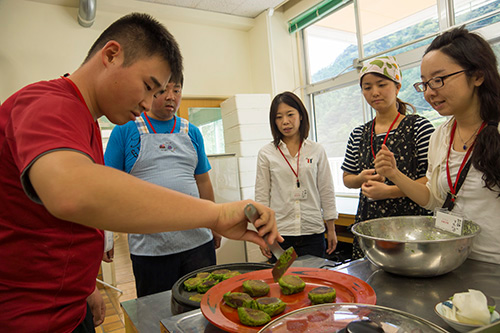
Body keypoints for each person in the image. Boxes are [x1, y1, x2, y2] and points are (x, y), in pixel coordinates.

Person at [0, 13, 281, 332]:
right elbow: (72, 192)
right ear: (111, 55)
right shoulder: (47, 103)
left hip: (67, 307)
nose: (149, 104)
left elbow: (53, 227)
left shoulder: (87, 122)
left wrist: (85, 285)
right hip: (28, 318)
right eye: (149, 87)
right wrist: (214, 215)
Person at [374, 27, 500, 264]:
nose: (430, 93)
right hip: (452, 261)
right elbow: (433, 199)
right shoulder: (441, 135)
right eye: (425, 84)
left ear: (477, 76)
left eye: (438, 80)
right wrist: (394, 174)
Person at [104, 75, 221, 297]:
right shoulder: (126, 130)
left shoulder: (192, 132)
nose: (170, 97)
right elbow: (106, 184)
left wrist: (216, 221)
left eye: (176, 90)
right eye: (162, 91)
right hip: (150, 249)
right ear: (149, 92)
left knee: (203, 306)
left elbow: (202, 181)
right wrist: (105, 234)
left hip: (197, 243)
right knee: (156, 313)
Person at [342, 55, 434, 259]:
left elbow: (431, 181)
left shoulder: (419, 127)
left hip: (413, 227)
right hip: (370, 226)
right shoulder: (358, 134)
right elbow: (348, 179)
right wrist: (361, 179)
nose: (374, 92)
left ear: (397, 86)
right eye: (367, 87)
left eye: (381, 84)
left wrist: (388, 191)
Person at [255, 91, 338, 262]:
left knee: (314, 282)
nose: (285, 121)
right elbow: (262, 197)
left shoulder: (316, 150)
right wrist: (263, 235)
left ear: (301, 115)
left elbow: (326, 190)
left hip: (313, 233)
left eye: (290, 114)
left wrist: (331, 229)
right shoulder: (267, 153)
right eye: (279, 117)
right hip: (280, 235)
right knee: (284, 283)